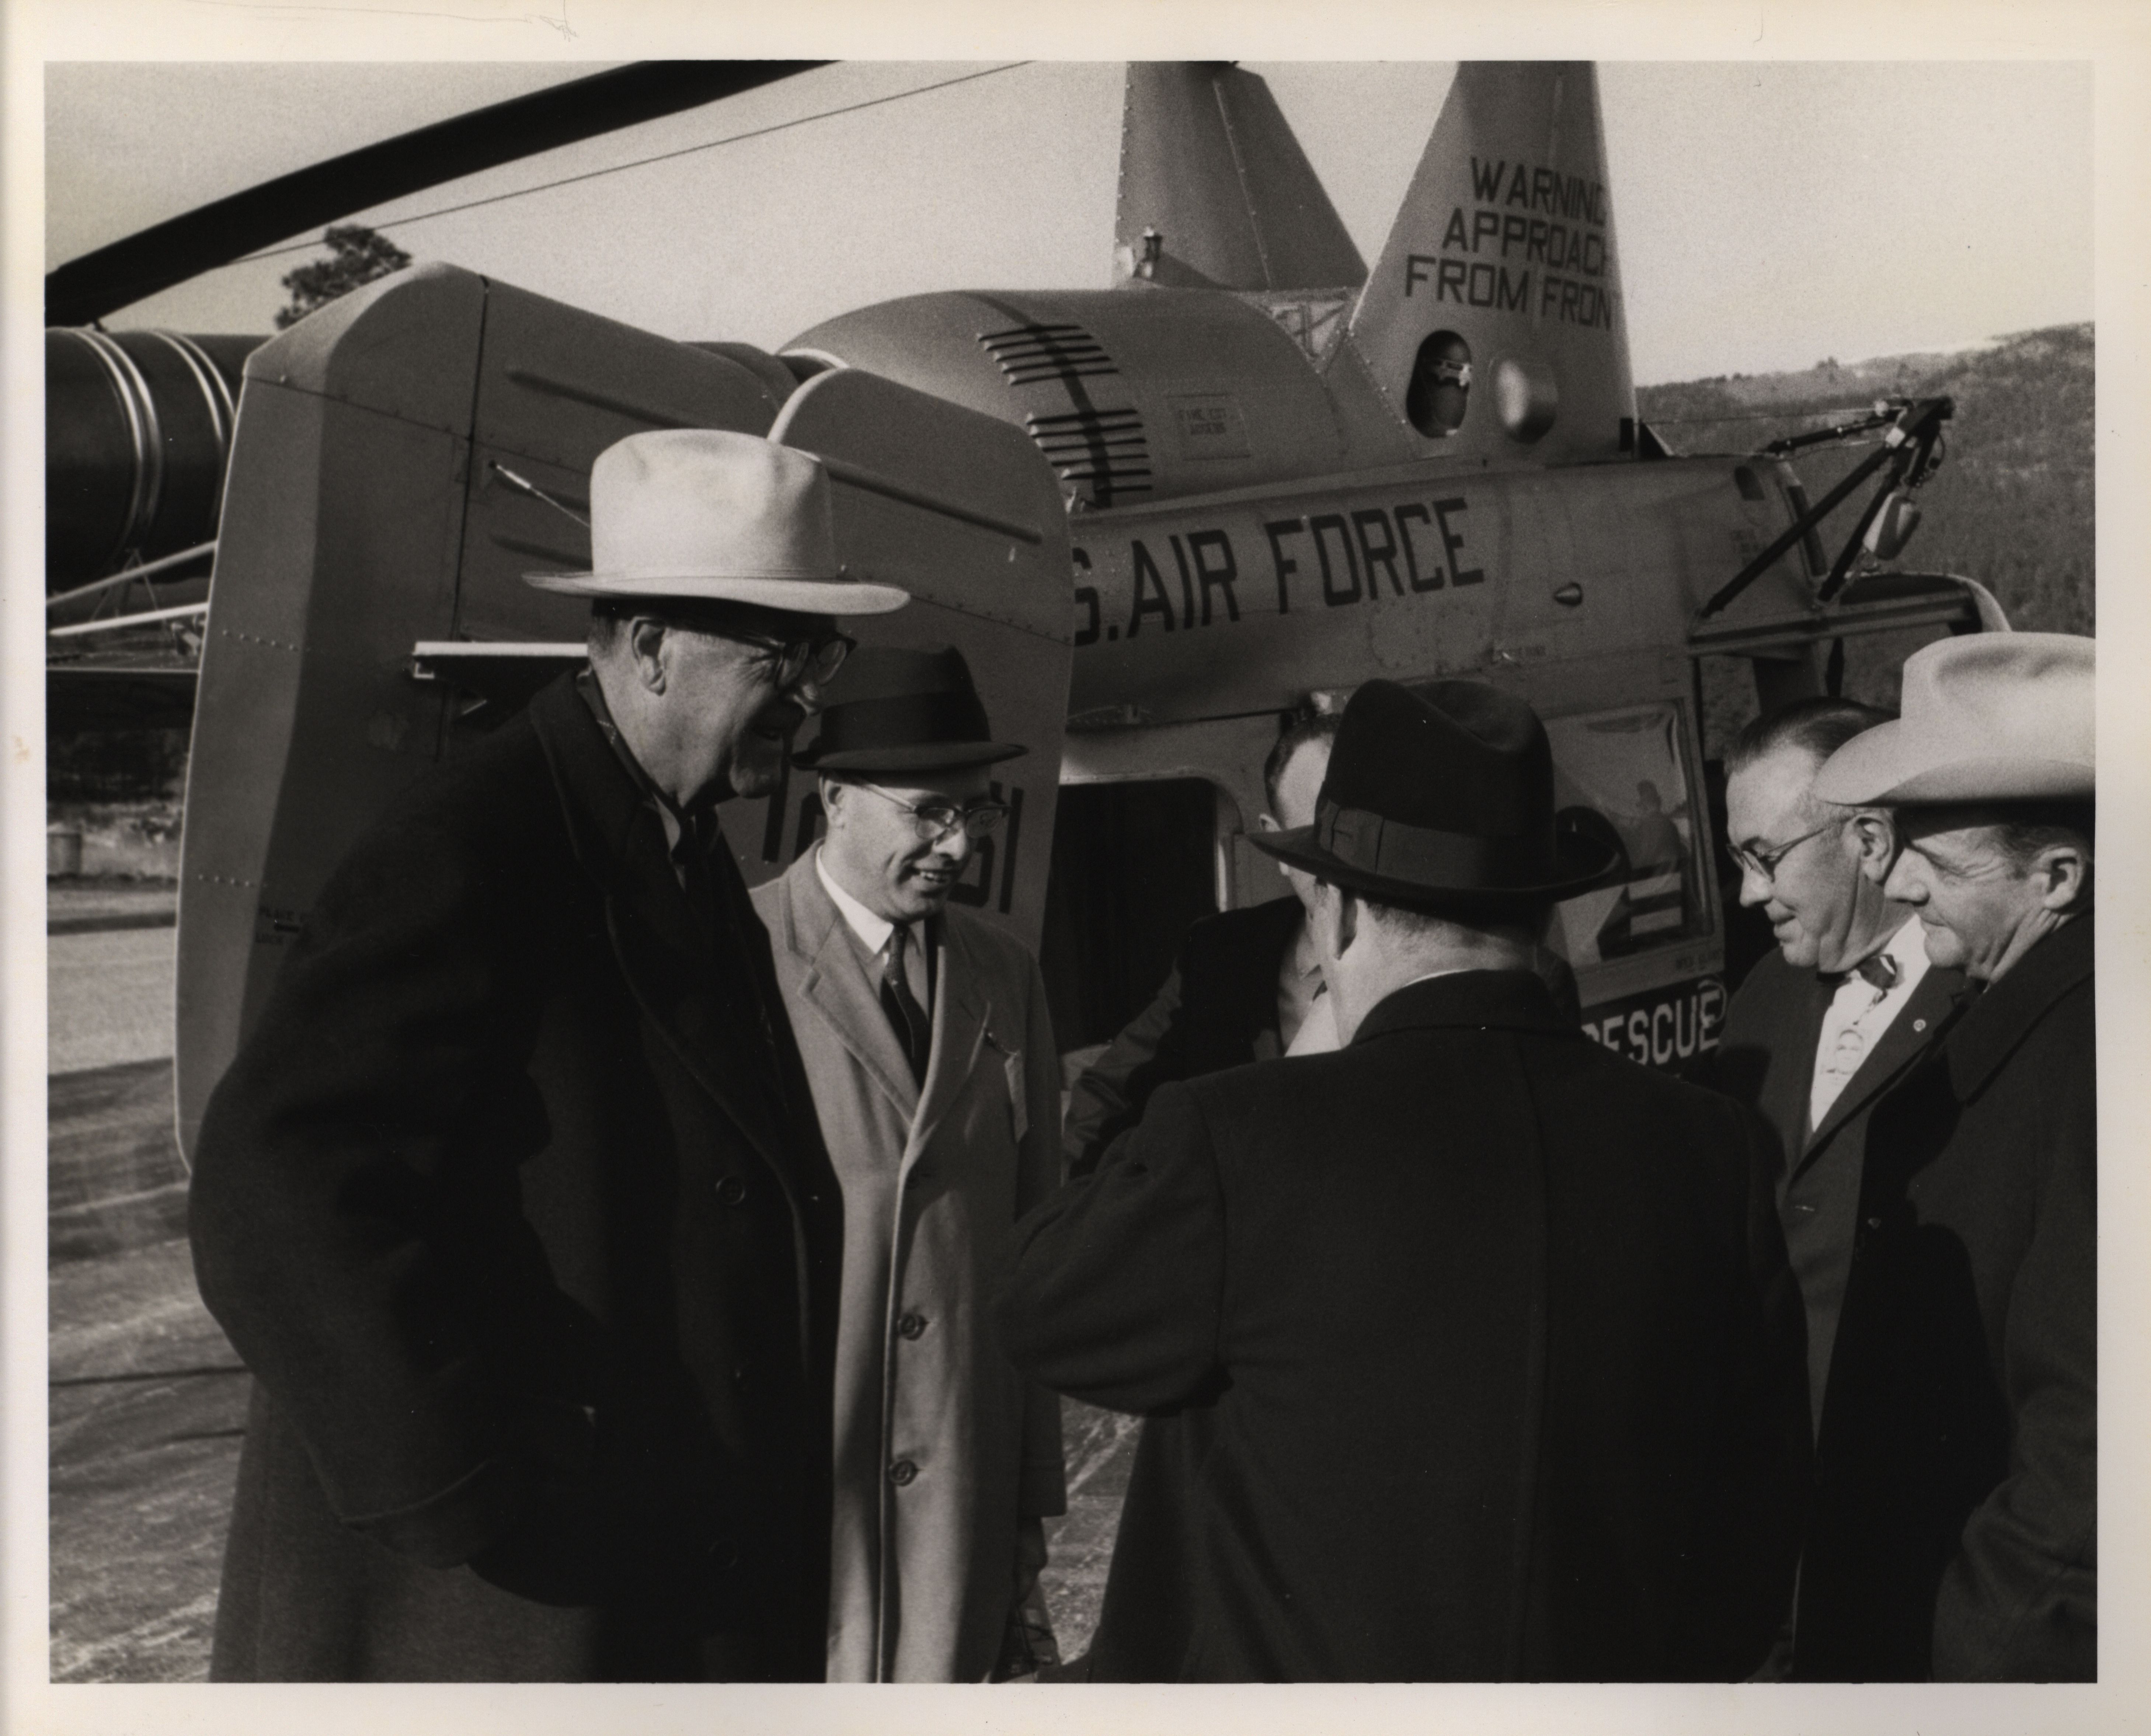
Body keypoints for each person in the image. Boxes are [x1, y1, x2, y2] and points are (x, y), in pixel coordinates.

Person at [188, 429, 908, 1681]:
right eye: (780, 656)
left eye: (821, 656)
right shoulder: (474, 840)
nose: (807, 697)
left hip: (652, 1575)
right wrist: (465, 1482)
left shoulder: (677, 843)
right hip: (508, 1608)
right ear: (651, 646)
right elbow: (274, 1179)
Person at [999, 679, 1810, 1681]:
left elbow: (1040, 1304)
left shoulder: (1244, 1134)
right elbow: (1754, 1523)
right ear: (1541, 911)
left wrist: (1303, 1060)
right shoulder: (1711, 1146)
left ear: (1337, 912)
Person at [749, 646, 1066, 1682]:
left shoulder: (1005, 974)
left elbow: (1033, 1246)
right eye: (929, 812)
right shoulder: (736, 954)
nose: (958, 844)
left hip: (959, 1498)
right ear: (833, 800)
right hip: (801, 1491)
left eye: (975, 813)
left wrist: (1028, 1498)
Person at [1797, 632, 2095, 1682]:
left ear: (2055, 875)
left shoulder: (2094, 1059)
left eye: (1937, 855)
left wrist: (1973, 1651)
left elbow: (2091, 1446)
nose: (1896, 879)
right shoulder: (2024, 1014)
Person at [1713, 699, 1965, 1437]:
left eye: (1764, 857)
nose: (1749, 893)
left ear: (1869, 839)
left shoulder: (1980, 991)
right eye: (1736, 861)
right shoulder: (1763, 993)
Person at [1060, 710, 1336, 1175]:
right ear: (1277, 845)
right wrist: (1089, 1204)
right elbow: (1109, 1092)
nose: (1343, 863)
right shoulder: (1220, 955)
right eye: (1319, 838)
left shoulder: (1439, 957)